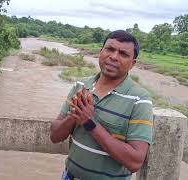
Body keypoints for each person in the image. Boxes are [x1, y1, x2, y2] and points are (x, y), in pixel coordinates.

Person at [50, 30, 153, 180]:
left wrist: (90, 123)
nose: (114, 57)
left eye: (123, 54)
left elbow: (135, 161)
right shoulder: (81, 86)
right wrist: (75, 114)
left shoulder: (140, 100)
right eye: (110, 49)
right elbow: (55, 135)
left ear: (133, 63)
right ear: (101, 52)